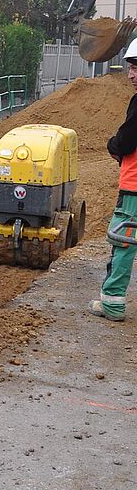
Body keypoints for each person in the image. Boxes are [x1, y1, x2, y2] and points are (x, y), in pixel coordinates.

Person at [89, 38, 137, 322]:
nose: (130, 75)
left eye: (135, 68)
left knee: (123, 242)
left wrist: (113, 145)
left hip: (134, 189)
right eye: (130, 68)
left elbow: (126, 140)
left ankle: (112, 303)